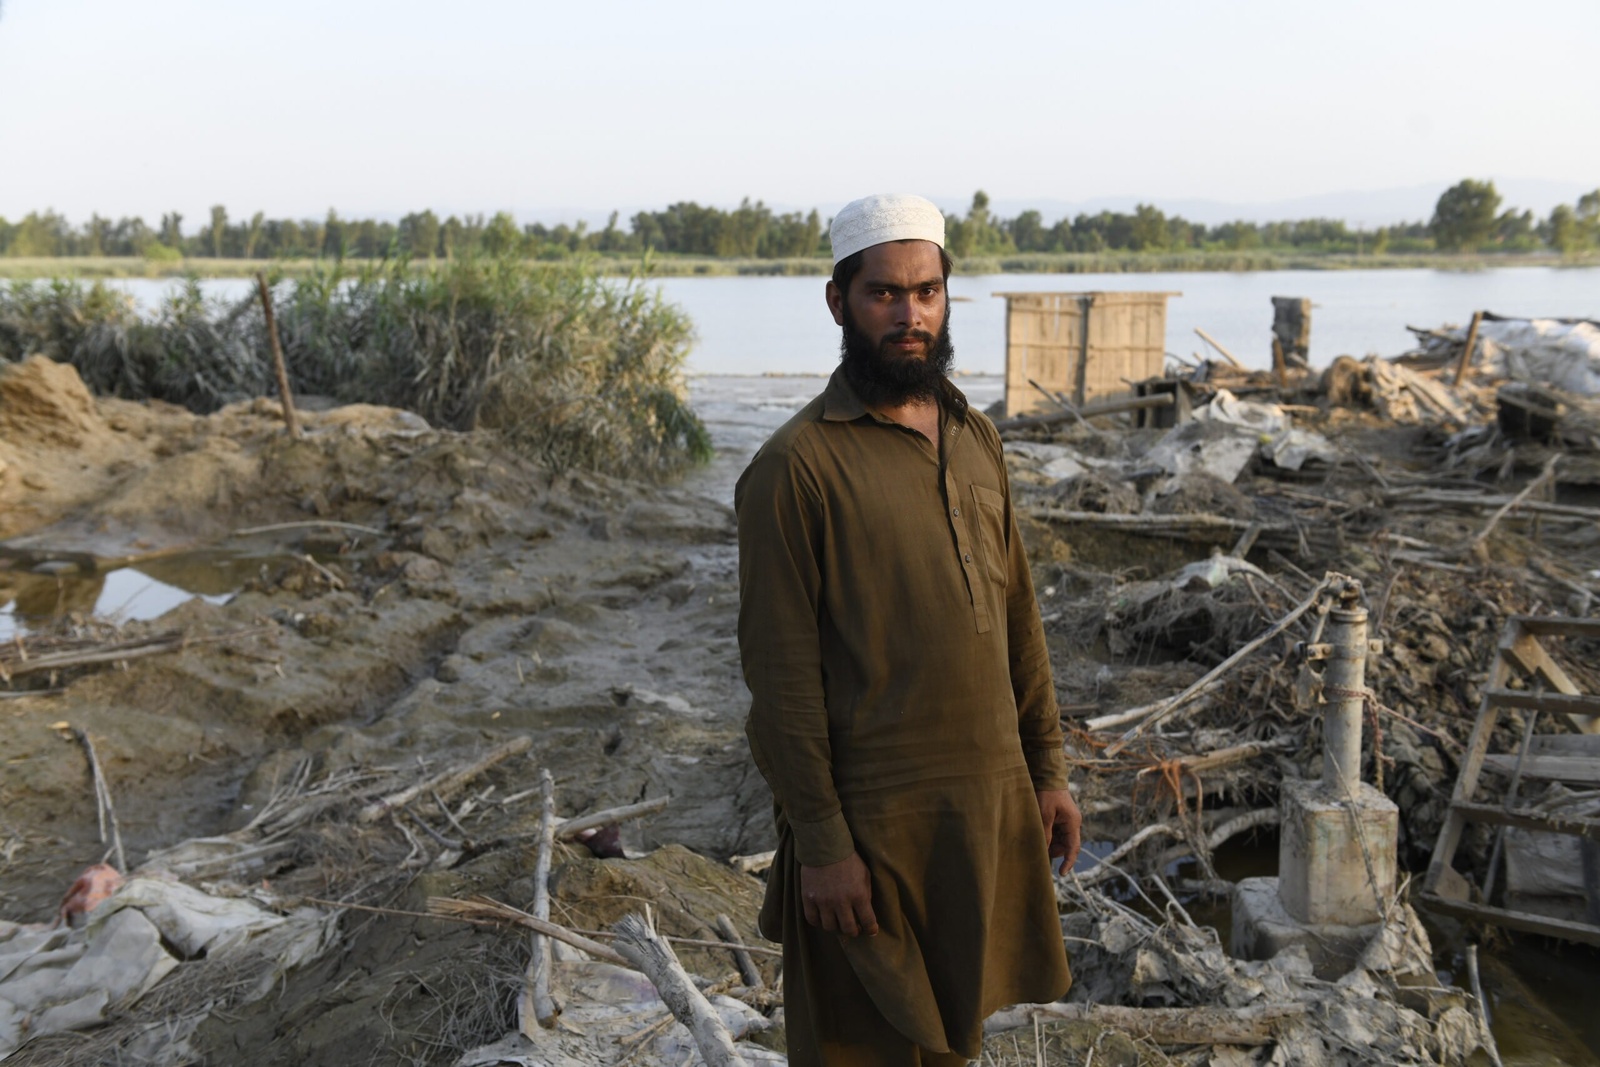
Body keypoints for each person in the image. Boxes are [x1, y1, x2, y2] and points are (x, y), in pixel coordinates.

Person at [735, 193, 1082, 1067]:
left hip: (981, 818)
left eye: (927, 292)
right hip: (871, 834)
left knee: (957, 1044)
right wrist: (824, 847)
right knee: (861, 1049)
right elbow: (781, 683)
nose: (910, 315)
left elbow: (1018, 616)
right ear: (838, 301)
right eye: (884, 293)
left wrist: (1046, 770)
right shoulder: (794, 468)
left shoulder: (975, 437)